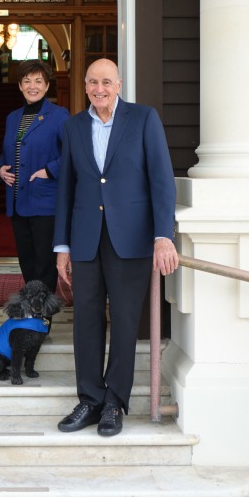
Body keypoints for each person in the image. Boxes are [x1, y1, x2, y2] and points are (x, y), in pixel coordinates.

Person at [54, 58, 178, 437]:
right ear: (85, 85)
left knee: (124, 321)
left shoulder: (143, 119)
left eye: (106, 81)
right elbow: (67, 191)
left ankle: (114, 403)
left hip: (133, 239)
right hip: (86, 238)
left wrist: (163, 235)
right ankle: (90, 399)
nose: (99, 88)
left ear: (119, 84)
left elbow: (161, 179)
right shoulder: (73, 126)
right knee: (86, 321)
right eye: (92, 82)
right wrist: (63, 246)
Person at [0, 59, 70, 293]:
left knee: (44, 265)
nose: (32, 86)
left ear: (48, 86)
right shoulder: (12, 117)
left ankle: (41, 320)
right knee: (27, 262)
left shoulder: (59, 115)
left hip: (45, 202)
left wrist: (49, 170)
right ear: (19, 86)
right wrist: (0, 170)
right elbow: (7, 153)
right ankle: (33, 313)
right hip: (18, 203)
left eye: (38, 81)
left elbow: (72, 153)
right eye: (27, 81)